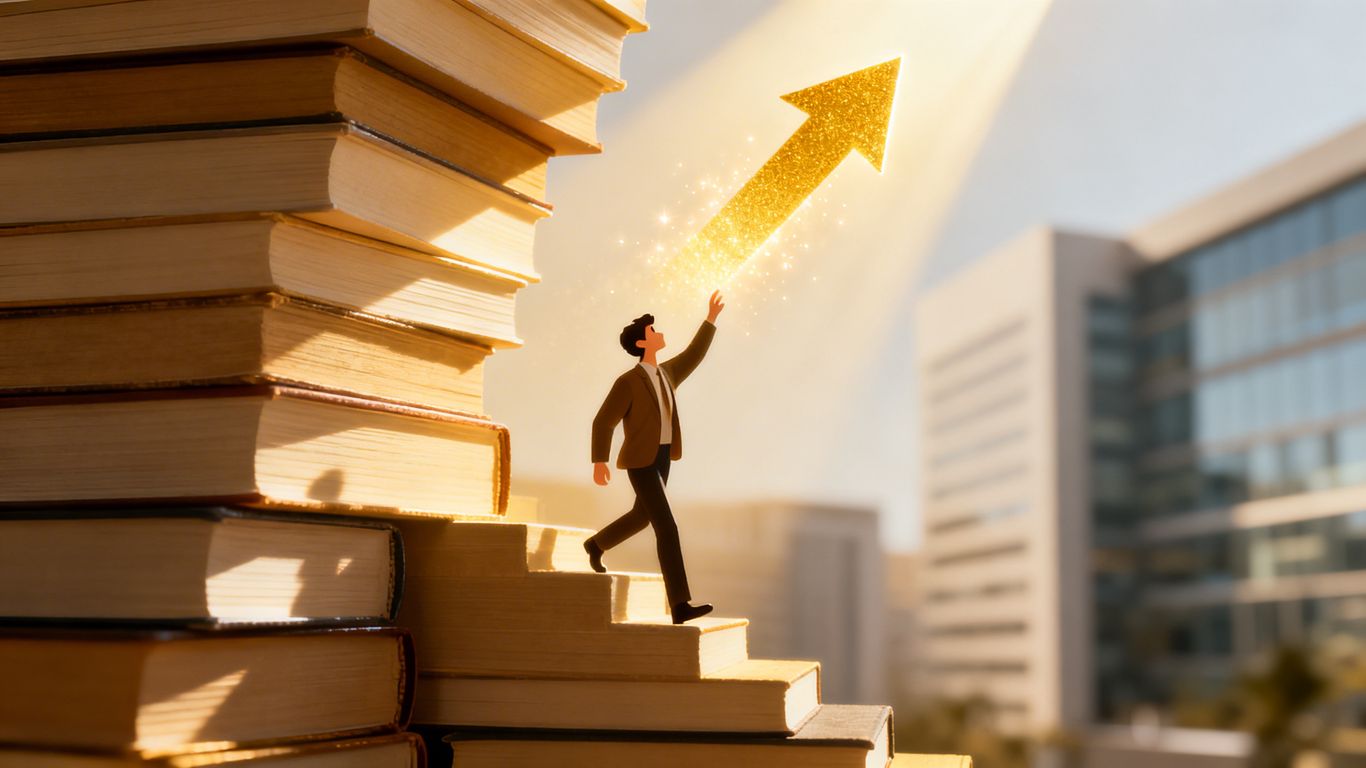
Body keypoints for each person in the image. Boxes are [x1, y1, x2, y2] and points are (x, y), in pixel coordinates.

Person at [585, 290, 725, 624]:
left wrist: (710, 319)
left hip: (663, 456)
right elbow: (604, 420)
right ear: (642, 343)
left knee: (641, 516)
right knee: (667, 526)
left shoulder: (668, 373)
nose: (659, 333)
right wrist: (599, 460)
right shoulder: (628, 382)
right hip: (640, 461)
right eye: (653, 331)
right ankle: (680, 605)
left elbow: (694, 354)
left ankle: (596, 544)